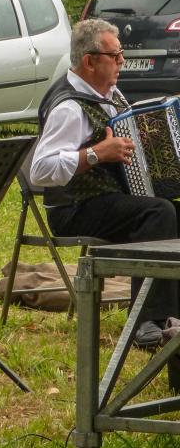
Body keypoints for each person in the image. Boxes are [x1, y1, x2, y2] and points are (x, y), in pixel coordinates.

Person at [31, 18, 180, 349]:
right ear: (89, 61)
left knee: (172, 210)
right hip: (74, 207)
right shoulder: (69, 107)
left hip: (107, 198)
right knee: (158, 214)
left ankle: (172, 316)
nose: (122, 61)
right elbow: (40, 170)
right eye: (115, 55)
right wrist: (97, 154)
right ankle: (146, 322)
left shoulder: (106, 92)